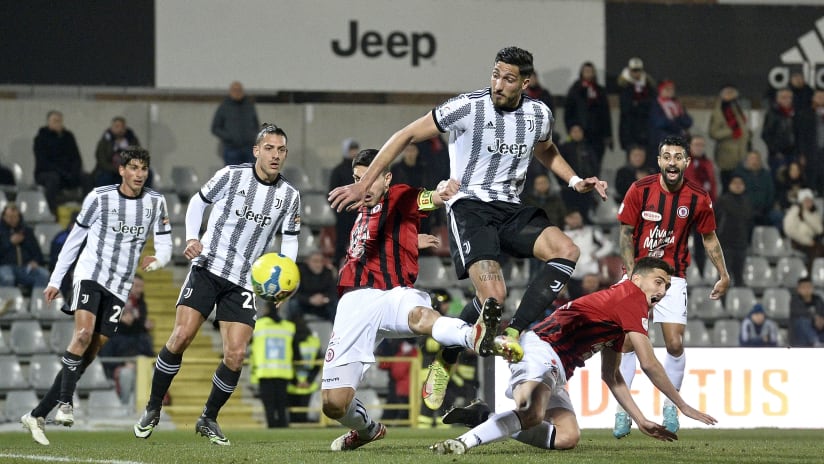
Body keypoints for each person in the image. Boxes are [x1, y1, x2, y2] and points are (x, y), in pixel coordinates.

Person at [327, 47, 608, 414]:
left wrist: (573, 181)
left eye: (508, 79)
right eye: (495, 74)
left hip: (510, 207)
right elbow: (406, 134)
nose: (498, 84)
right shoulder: (467, 107)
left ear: (525, 82)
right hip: (470, 207)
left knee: (567, 250)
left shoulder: (539, 113)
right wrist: (367, 184)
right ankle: (445, 361)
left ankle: (513, 332)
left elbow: (546, 149)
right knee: (494, 295)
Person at [430, 257, 717, 455]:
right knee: (530, 411)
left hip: (559, 367)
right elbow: (649, 362)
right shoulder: (631, 298)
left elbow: (612, 376)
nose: (663, 291)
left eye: (667, 286)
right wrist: (682, 405)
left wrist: (639, 419)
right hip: (542, 348)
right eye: (658, 282)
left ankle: (485, 417)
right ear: (636, 278)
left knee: (567, 437)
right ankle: (463, 443)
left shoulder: (623, 313)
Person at [321, 148, 503, 451]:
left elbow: (429, 198)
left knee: (421, 316)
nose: (362, 186)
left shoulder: (400, 196)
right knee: (333, 405)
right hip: (354, 302)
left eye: (369, 179)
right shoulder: (362, 211)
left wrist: (443, 191)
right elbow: (381, 238)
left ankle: (472, 336)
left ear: (387, 178)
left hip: (393, 295)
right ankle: (368, 430)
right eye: (356, 180)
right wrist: (410, 240)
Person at [133, 124, 301, 446]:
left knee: (236, 355)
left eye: (281, 150)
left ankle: (208, 417)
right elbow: (198, 203)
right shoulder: (232, 176)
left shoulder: (289, 196)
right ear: (256, 150)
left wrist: (286, 274)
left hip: (245, 281)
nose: (275, 155)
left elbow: (290, 239)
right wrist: (193, 237)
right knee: (181, 336)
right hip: (209, 266)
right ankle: (153, 407)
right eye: (269, 148)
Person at [20, 147, 172, 446]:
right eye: (134, 168)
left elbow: (165, 243)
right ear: (122, 170)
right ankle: (65, 404)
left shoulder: (156, 202)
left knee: (88, 355)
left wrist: (159, 260)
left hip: (120, 285)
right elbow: (74, 241)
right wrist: (54, 280)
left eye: (144, 169)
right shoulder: (99, 198)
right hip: (91, 274)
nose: (139, 174)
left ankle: (37, 414)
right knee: (83, 334)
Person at [614, 135, 730, 438]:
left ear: (687, 162)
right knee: (625, 342)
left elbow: (709, 237)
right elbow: (626, 233)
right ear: (659, 161)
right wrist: (630, 274)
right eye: (667, 157)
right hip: (638, 275)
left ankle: (669, 406)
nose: (672, 162)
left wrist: (723, 273)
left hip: (673, 276)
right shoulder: (640, 190)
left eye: (678, 157)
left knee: (675, 344)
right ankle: (624, 411)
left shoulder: (698, 197)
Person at [98, 274, 156, 405]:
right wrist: (123, 364)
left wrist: (143, 362)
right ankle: (124, 407)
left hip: (139, 365)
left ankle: (151, 408)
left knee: (153, 373)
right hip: (121, 367)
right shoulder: (111, 333)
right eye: (126, 313)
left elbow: (149, 353)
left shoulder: (141, 334)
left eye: (132, 313)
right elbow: (106, 357)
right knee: (127, 373)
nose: (129, 316)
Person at [33, 110, 92, 213]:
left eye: (59, 121)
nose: (58, 123)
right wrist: (62, 173)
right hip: (47, 173)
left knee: (86, 177)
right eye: (55, 121)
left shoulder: (69, 137)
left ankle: (87, 209)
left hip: (68, 173)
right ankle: (52, 211)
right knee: (53, 179)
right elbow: (43, 162)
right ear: (48, 122)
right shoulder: (40, 139)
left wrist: (73, 172)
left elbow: (76, 158)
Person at [249, 302, 296, 428]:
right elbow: (295, 350)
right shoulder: (289, 327)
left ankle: (272, 428)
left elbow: (248, 345)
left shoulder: (257, 325)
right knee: (282, 405)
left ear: (265, 308)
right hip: (283, 373)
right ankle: (283, 428)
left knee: (269, 406)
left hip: (264, 373)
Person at [564, 61, 612, 166]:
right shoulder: (575, 90)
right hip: (580, 134)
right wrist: (572, 129)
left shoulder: (600, 91)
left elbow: (606, 114)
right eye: (586, 71)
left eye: (590, 71)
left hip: (597, 135)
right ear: (582, 73)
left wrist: (608, 135)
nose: (588, 74)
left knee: (595, 164)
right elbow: (568, 112)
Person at [684, 135, 718, 276]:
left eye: (701, 145)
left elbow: (712, 183)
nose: (698, 147)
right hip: (685, 208)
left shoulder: (708, 163)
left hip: (703, 209)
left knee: (701, 244)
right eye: (696, 144)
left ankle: (701, 272)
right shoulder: (683, 162)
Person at [562, 210, 613, 299]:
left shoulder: (591, 231)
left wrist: (596, 255)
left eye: (577, 217)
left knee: (596, 300)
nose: (575, 220)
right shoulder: (562, 235)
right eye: (572, 218)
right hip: (572, 277)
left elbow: (609, 245)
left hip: (591, 274)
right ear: (566, 219)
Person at [714, 175, 754, 287]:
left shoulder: (747, 201)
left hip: (741, 243)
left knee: (739, 276)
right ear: (730, 185)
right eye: (735, 183)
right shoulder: (722, 200)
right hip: (725, 243)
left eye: (740, 183)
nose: (737, 185)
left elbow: (750, 223)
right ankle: (721, 303)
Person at [708, 85, 750, 191]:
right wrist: (731, 131)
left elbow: (742, 126)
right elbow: (713, 133)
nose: (730, 96)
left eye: (732, 93)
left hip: (741, 154)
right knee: (728, 187)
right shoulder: (719, 112)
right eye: (727, 93)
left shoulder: (736, 108)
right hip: (726, 157)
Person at [0, 203, 50, 291]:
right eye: (9, 217)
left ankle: (36, 302)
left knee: (43, 275)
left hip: (25, 267)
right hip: (5, 266)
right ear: (3, 217)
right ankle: (7, 303)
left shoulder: (27, 231)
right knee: (7, 277)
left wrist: (35, 261)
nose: (12, 219)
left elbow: (37, 253)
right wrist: (10, 243)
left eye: (15, 217)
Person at [328, 137, 360, 267]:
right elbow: (331, 193)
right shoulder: (338, 171)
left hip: (358, 213)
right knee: (341, 245)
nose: (354, 152)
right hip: (343, 215)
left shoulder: (361, 171)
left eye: (355, 149)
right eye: (351, 149)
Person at [211, 81, 260, 166]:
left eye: (239, 90)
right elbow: (215, 128)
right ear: (230, 92)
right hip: (231, 148)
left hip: (249, 148)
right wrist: (229, 136)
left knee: (250, 175)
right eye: (234, 90)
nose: (237, 93)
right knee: (233, 175)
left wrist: (252, 135)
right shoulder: (224, 107)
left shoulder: (249, 106)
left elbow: (256, 124)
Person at [648, 80, 692, 170]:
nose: (670, 91)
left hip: (678, 143)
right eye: (667, 89)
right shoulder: (656, 104)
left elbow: (688, 121)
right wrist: (677, 124)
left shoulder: (677, 104)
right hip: (661, 142)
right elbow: (659, 122)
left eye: (672, 89)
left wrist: (676, 120)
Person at [287, 312, 322, 423]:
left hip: (292, 385)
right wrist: (308, 381)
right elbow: (317, 365)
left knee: (293, 418)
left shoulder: (289, 341)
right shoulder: (314, 341)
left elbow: (287, 363)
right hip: (308, 385)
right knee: (303, 417)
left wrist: (296, 381)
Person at [617, 57, 656, 155]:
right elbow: (626, 108)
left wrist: (638, 104)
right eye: (634, 70)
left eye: (638, 70)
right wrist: (641, 104)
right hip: (629, 129)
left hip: (645, 128)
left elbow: (651, 103)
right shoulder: (624, 85)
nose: (636, 73)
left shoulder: (648, 84)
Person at [288, 249, 337, 321]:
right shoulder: (299, 272)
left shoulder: (328, 273)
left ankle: (336, 330)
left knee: (335, 304)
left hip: (323, 304)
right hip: (305, 304)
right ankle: (298, 328)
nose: (318, 264)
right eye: (315, 261)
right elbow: (294, 293)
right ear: (307, 261)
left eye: (321, 261)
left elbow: (333, 292)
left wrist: (325, 299)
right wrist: (309, 300)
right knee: (293, 303)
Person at [92, 116, 141, 187]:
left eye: (122, 127)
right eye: (117, 126)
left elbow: (138, 156)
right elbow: (101, 160)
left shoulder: (132, 140)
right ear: (112, 128)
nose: (120, 129)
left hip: (128, 171)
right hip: (109, 170)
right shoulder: (105, 141)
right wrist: (116, 169)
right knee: (105, 177)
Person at [782, 188, 824, 264]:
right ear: (801, 201)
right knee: (817, 252)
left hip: (814, 241)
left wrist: (807, 216)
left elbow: (820, 230)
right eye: (806, 200)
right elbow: (790, 230)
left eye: (810, 200)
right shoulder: (795, 211)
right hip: (799, 242)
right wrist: (807, 241)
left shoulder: (814, 213)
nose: (808, 203)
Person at [789, 277, 824, 346]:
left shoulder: (818, 299)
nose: (807, 289)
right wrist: (815, 319)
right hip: (800, 335)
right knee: (802, 321)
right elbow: (800, 314)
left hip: (818, 329)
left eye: (809, 287)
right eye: (803, 287)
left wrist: (821, 320)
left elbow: (822, 312)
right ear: (798, 289)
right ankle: (815, 342)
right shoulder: (794, 300)